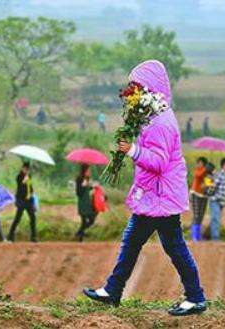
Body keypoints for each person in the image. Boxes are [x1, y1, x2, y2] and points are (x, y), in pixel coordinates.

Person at [83, 60, 206, 316]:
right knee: (147, 243)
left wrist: (132, 150)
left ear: (151, 88)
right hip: (157, 195)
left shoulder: (161, 122)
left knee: (167, 246)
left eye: (137, 86)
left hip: (160, 196)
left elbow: (159, 162)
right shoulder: (155, 116)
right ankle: (114, 290)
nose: (133, 92)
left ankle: (194, 297)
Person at [7, 162, 37, 242]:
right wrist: (24, 181)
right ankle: (10, 235)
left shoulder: (29, 177)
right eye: (25, 169)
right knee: (17, 218)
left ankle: (33, 237)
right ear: (22, 168)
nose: (26, 171)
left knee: (33, 218)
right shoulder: (19, 176)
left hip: (29, 200)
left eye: (28, 169)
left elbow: (31, 187)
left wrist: (32, 195)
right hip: (21, 200)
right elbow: (19, 187)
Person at [209, 157, 225, 241]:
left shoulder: (223, 175)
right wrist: (212, 195)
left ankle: (214, 237)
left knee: (216, 219)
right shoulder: (220, 174)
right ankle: (215, 238)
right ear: (224, 165)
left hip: (220, 201)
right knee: (215, 219)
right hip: (215, 200)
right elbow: (213, 186)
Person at [75, 164, 97, 242]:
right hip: (82, 204)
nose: (89, 172)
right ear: (84, 171)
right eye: (88, 170)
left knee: (91, 219)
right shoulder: (79, 179)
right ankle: (80, 237)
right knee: (84, 221)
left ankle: (79, 233)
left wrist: (93, 187)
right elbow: (78, 193)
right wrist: (83, 185)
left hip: (88, 203)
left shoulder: (88, 179)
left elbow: (89, 190)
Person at [189, 157, 209, 242]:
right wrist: (206, 170)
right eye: (198, 163)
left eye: (200, 163)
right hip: (195, 194)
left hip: (203, 195)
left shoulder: (207, 172)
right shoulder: (197, 170)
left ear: (203, 163)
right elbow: (198, 175)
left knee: (201, 215)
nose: (198, 164)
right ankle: (194, 236)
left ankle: (198, 235)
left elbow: (209, 183)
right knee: (196, 215)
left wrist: (209, 174)